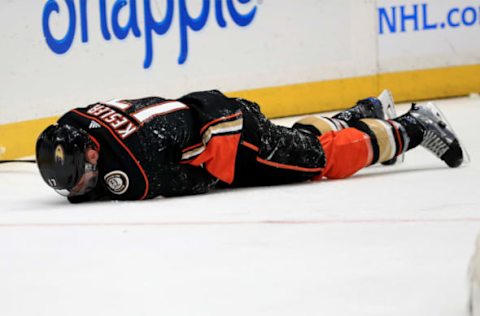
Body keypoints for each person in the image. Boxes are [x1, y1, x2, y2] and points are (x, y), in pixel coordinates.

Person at [36, 89, 466, 203]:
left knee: (320, 161)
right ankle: (365, 111)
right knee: (302, 144)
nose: (80, 189)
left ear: (92, 152)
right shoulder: (77, 122)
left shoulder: (133, 171)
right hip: (209, 110)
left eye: (83, 176)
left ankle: (412, 126)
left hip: (234, 139)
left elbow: (196, 181)